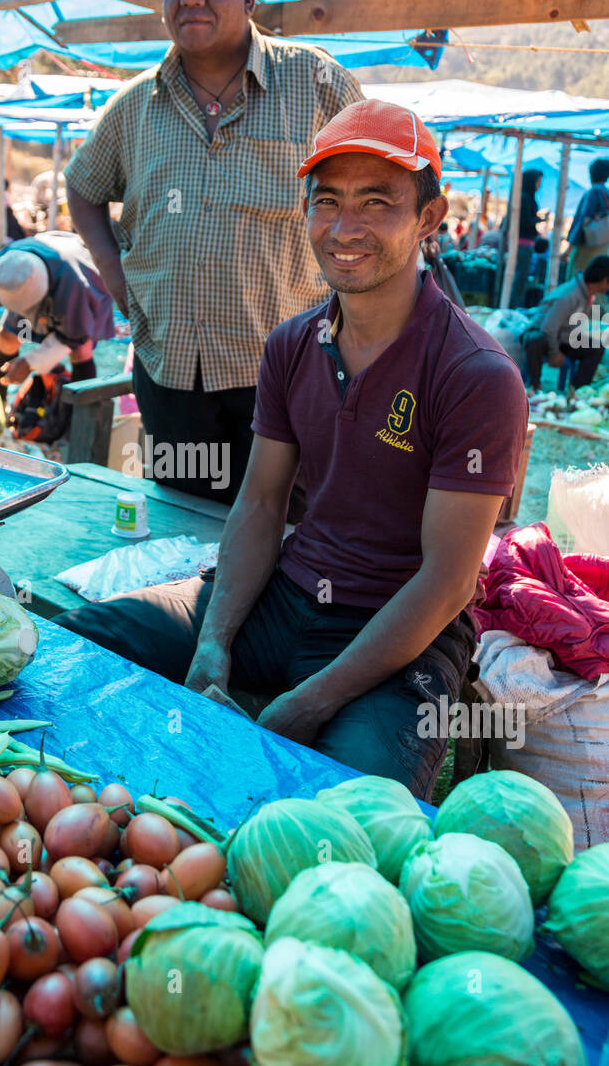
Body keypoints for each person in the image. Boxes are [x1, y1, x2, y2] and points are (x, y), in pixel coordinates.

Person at [60, 100, 529, 797]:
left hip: (405, 637)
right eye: (327, 201)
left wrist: (308, 701)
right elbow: (260, 501)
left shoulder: (477, 376)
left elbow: (447, 582)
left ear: (429, 219)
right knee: (82, 644)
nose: (345, 228)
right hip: (287, 595)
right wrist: (216, 639)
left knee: (360, 806)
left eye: (378, 202)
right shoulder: (290, 345)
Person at [65, 0, 363, 504]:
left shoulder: (314, 84)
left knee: (287, 534)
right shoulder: (132, 109)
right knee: (182, 533)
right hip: (169, 375)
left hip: (285, 375)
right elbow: (83, 188)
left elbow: (374, 191)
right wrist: (122, 286)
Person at [0, 232, 114, 388]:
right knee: (7, 338)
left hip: (79, 287)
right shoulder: (2, 265)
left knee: (80, 351)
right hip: (37, 291)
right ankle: (0, 401)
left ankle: (80, 413)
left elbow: (74, 336)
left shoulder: (74, 286)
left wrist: (31, 363)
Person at [521, 255, 609, 395]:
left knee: (596, 348)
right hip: (543, 333)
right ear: (604, 280)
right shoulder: (570, 295)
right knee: (535, 340)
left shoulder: (588, 292)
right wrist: (555, 353)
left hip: (563, 336)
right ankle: (534, 387)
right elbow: (548, 328)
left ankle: (577, 391)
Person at [505, 168, 545, 307]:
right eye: (538, 181)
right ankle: (514, 306)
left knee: (520, 278)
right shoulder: (525, 198)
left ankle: (514, 304)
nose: (539, 185)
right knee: (520, 279)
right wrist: (539, 220)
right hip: (522, 245)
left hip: (524, 244)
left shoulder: (525, 197)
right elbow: (524, 221)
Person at [565, 157, 609, 279]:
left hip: (587, 245)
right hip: (603, 246)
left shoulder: (592, 193)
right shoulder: (606, 192)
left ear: (591, 174)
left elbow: (583, 221)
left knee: (577, 279)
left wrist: (569, 249)